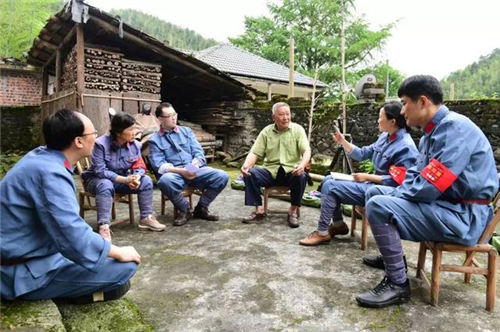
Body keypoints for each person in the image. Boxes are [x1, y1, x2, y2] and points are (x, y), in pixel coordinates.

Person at [355, 75, 498, 308]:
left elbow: (430, 187)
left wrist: (396, 196)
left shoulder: (455, 129)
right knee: (374, 193)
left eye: (404, 103)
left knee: (378, 204)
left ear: (422, 101)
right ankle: (394, 261)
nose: (402, 111)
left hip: (464, 217)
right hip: (447, 207)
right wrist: (395, 192)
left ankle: (397, 284)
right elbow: (415, 175)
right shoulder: (432, 132)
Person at [0, 109, 141, 304]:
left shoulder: (41, 157)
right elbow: (72, 233)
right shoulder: (50, 173)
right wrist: (117, 251)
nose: (96, 138)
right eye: (93, 133)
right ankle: (63, 293)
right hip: (21, 272)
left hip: (38, 253)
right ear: (79, 141)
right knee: (125, 268)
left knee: (106, 263)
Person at [299, 101, 418, 245]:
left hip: (380, 191)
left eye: (380, 117)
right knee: (328, 179)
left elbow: (397, 182)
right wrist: (343, 141)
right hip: (369, 183)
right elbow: (362, 154)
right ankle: (338, 225)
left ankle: (323, 232)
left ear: (392, 121)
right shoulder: (385, 137)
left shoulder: (405, 146)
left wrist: (367, 177)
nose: (377, 120)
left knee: (331, 187)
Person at [83, 112, 166, 242]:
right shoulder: (100, 144)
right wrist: (125, 180)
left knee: (147, 181)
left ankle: (146, 218)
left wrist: (136, 177)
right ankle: (103, 226)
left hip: (122, 180)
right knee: (106, 184)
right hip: (96, 181)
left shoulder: (135, 145)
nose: (135, 132)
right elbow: (100, 171)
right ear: (119, 132)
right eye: (131, 129)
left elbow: (139, 165)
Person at [148, 102, 229, 226]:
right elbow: (159, 166)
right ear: (160, 119)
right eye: (169, 115)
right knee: (164, 181)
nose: (174, 117)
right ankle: (184, 209)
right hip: (176, 174)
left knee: (222, 176)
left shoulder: (186, 132)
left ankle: (201, 208)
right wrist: (182, 171)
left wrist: (191, 168)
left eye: (174, 114)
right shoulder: (154, 140)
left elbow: (199, 154)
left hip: (194, 170)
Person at [240, 102, 311, 228]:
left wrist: (301, 165)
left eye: (287, 114)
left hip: (291, 171)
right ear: (273, 117)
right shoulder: (266, 132)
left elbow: (306, 151)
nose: (285, 118)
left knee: (302, 176)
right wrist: (246, 166)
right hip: (270, 172)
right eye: (281, 115)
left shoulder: (298, 130)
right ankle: (259, 210)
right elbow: (255, 152)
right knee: (249, 173)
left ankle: (293, 211)